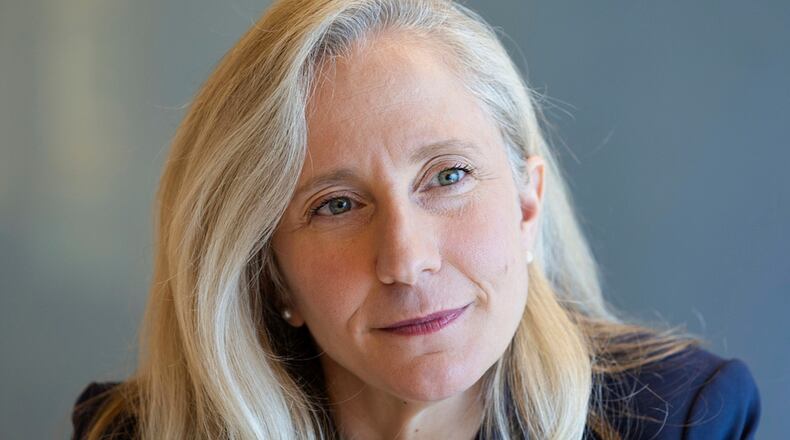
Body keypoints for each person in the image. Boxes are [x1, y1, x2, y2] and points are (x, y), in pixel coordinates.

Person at [70, 0, 761, 439]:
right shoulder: (136, 432)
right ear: (271, 275)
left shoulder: (684, 419)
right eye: (335, 205)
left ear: (527, 204)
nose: (404, 258)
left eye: (449, 177)